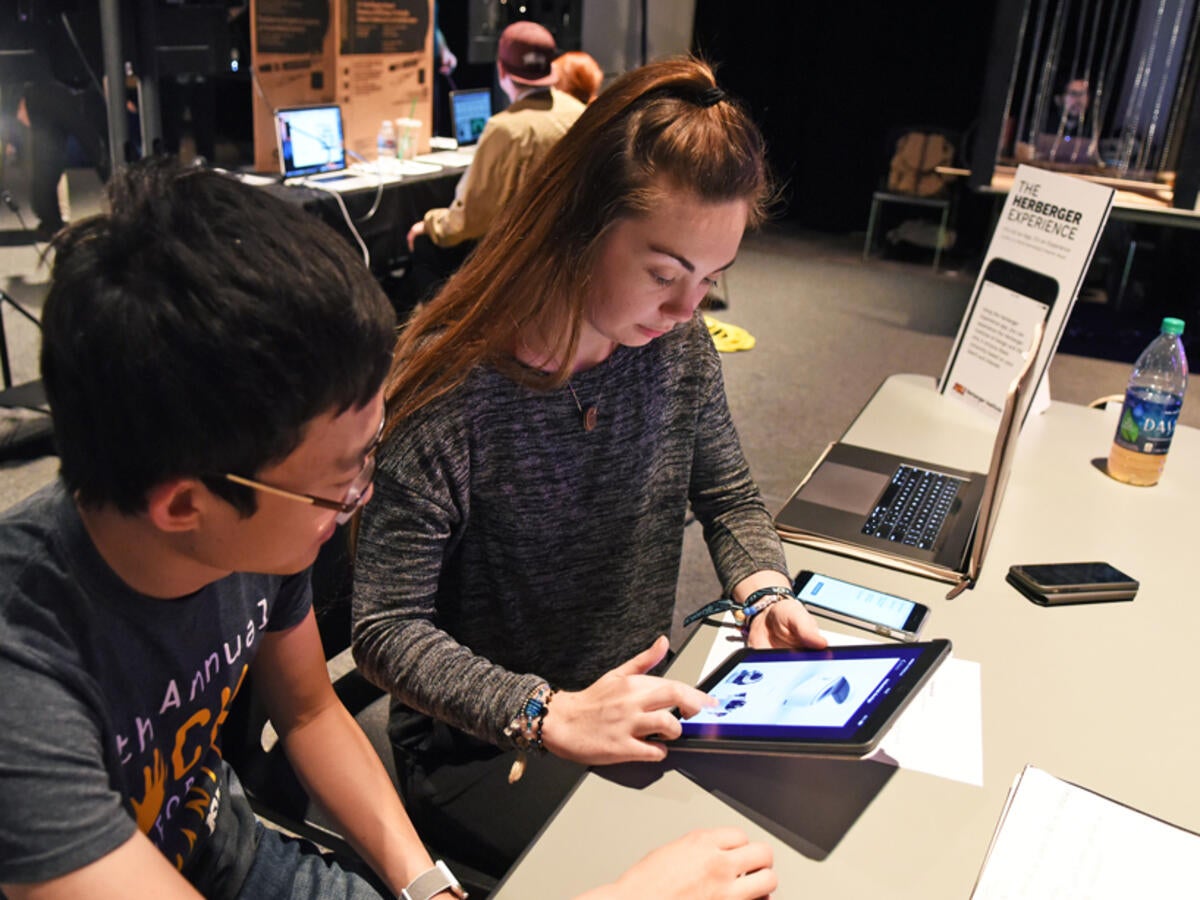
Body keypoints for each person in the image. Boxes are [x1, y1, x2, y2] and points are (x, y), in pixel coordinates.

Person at [0, 159, 777, 900]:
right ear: (182, 505)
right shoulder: (24, 684)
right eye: (341, 484)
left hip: (227, 850)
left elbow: (307, 709)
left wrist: (425, 883)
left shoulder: (250, 525)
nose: (362, 499)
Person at [353, 56, 827, 879]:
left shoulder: (674, 350)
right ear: (581, 223)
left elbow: (731, 496)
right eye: (665, 274)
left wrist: (765, 591)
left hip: (632, 711)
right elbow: (384, 630)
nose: (689, 310)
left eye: (713, 280)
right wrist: (546, 711)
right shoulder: (451, 387)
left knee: (782, 831)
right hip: (483, 750)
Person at [401, 20, 585, 310]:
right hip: (569, 252)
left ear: (501, 70)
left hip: (516, 260)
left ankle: (438, 339)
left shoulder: (506, 128)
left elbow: (469, 219)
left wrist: (429, 223)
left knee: (425, 244)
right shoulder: (578, 111)